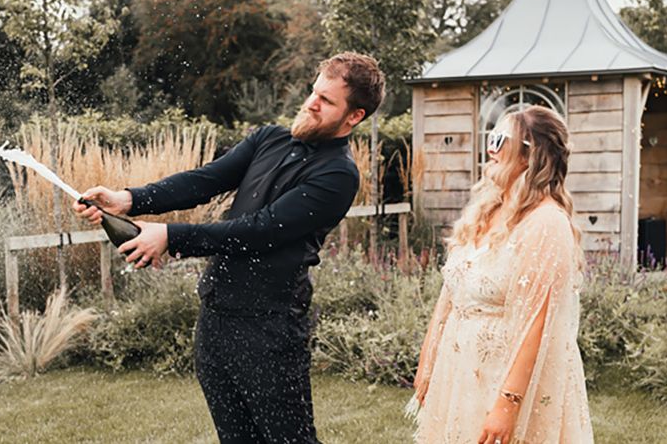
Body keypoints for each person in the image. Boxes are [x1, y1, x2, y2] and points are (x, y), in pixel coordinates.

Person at [74, 52, 385, 444]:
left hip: (269, 328)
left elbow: (260, 230)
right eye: (313, 91)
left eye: (327, 100)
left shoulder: (338, 174)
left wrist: (172, 236)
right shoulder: (269, 138)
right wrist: (128, 199)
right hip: (217, 317)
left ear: (354, 116)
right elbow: (204, 180)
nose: (311, 102)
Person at [407, 105, 593, 444]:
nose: (489, 148)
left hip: (501, 379)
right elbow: (450, 293)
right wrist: (428, 359)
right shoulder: (485, 211)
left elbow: (539, 322)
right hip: (459, 370)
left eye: (500, 139)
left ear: (529, 155)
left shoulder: (547, 223)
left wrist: (507, 404)